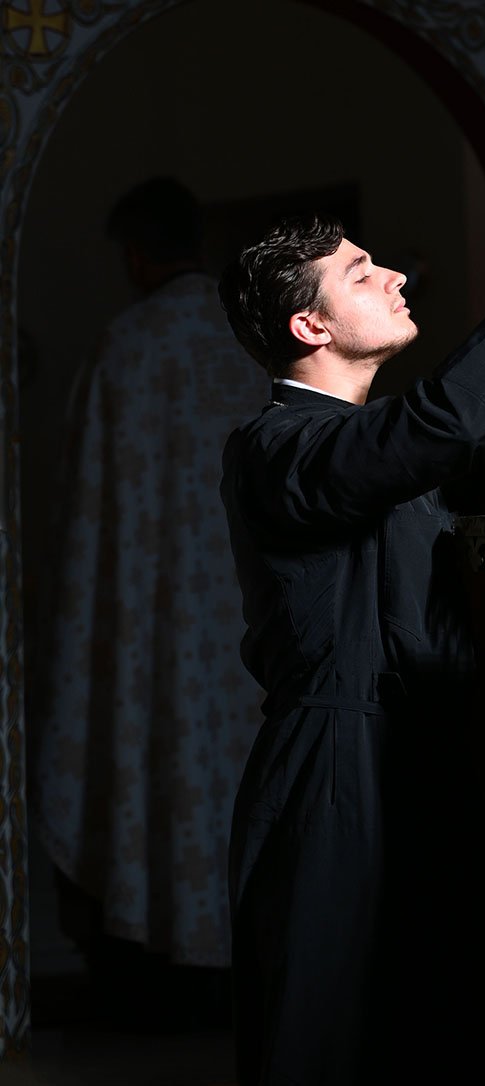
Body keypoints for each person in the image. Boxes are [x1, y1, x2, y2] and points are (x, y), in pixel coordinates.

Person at [216, 210, 485, 1084]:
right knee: (329, 1041)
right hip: (332, 773)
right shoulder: (275, 448)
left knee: (439, 1037)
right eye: (361, 272)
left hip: (423, 762)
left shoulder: (397, 446)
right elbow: (433, 430)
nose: (395, 279)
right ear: (311, 326)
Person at [27, 177, 266, 1024]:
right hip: (248, 625)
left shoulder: (125, 347)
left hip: (145, 627)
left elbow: (89, 509)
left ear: (135, 254)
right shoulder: (252, 338)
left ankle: (161, 976)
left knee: (154, 767)